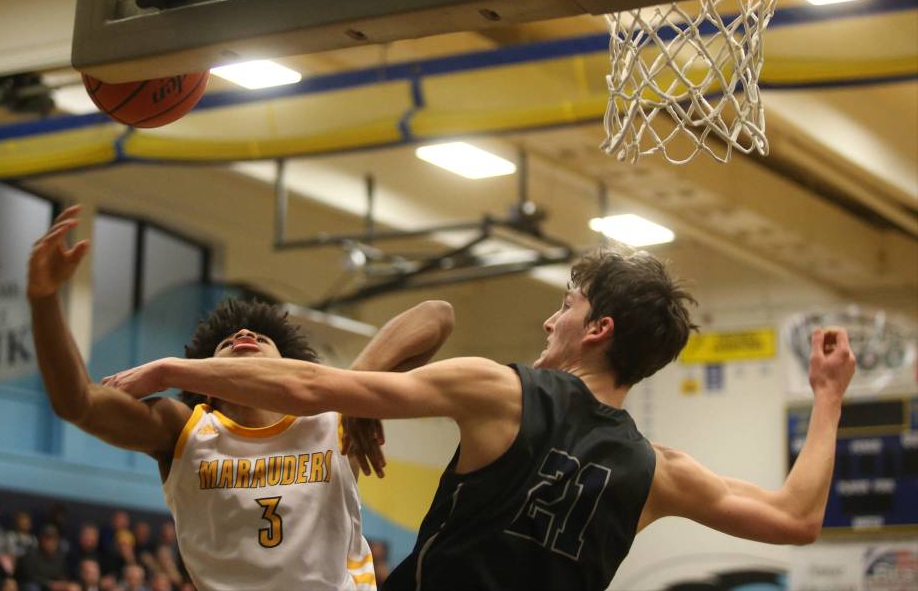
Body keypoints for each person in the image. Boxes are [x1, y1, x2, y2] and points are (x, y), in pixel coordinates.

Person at [105, 245, 857, 591]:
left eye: (565, 305)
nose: (550, 316)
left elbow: (307, 384)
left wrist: (175, 370)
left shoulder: (500, 389)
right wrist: (827, 398)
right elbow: (796, 518)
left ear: (598, 330)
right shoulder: (661, 471)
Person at [26, 205, 453, 591]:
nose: (244, 336)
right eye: (228, 343)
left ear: (288, 368)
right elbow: (75, 402)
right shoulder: (184, 430)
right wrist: (44, 299)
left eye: (260, 337)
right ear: (209, 379)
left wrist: (358, 392)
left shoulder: (332, 418)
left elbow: (436, 315)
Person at [14, 526, 69, 591]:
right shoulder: (31, 555)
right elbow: (30, 577)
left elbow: (62, 574)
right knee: (32, 588)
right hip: (33, 585)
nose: (50, 543)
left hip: (52, 586)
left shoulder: (59, 556)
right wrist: (49, 584)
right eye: (47, 539)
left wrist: (63, 583)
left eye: (54, 540)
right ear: (41, 540)